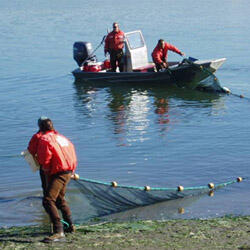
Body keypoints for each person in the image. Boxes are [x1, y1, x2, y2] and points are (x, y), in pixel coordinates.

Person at [34, 118, 77, 242]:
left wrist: (46, 172)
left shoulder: (44, 139)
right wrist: (71, 171)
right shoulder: (62, 137)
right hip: (68, 171)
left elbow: (45, 159)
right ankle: (70, 226)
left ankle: (59, 231)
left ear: (40, 128)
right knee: (59, 199)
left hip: (58, 173)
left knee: (48, 200)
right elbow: (72, 152)